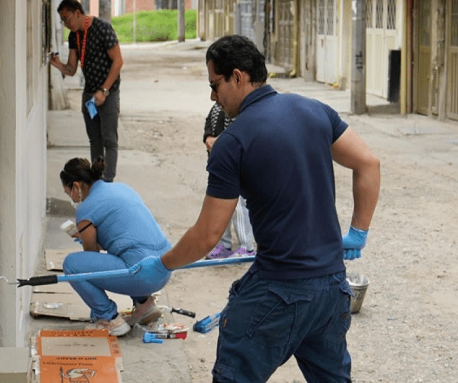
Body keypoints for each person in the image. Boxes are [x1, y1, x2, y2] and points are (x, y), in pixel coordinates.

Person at [132, 35, 380, 381]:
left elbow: (208, 235)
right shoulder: (315, 111)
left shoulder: (232, 142)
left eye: (215, 85)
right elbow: (368, 163)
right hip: (331, 289)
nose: (212, 96)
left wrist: (162, 264)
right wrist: (358, 231)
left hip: (279, 291)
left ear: (238, 76)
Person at [60, 157, 172, 336]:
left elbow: (92, 257)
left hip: (141, 276)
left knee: (72, 265)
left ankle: (109, 319)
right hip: (164, 268)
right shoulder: (122, 187)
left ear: (76, 186)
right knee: (129, 253)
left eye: (68, 193)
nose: (71, 198)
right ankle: (145, 305)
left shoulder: (85, 209)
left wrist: (85, 236)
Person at [51, 0, 123, 182]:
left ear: (77, 13)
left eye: (66, 19)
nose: (66, 24)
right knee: (95, 140)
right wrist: (58, 65)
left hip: (108, 92)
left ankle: (108, 181)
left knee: (109, 140)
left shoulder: (102, 29)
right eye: (62, 21)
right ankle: (97, 179)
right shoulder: (74, 36)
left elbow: (118, 61)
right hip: (90, 94)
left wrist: (104, 91)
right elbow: (72, 69)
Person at [203, 102, 256, 259]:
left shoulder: (241, 107)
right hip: (217, 163)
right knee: (218, 205)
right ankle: (224, 244)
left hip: (235, 165)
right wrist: (208, 137)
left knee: (238, 207)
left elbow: (241, 131)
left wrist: (219, 141)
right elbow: (209, 122)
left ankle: (247, 247)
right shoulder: (217, 106)